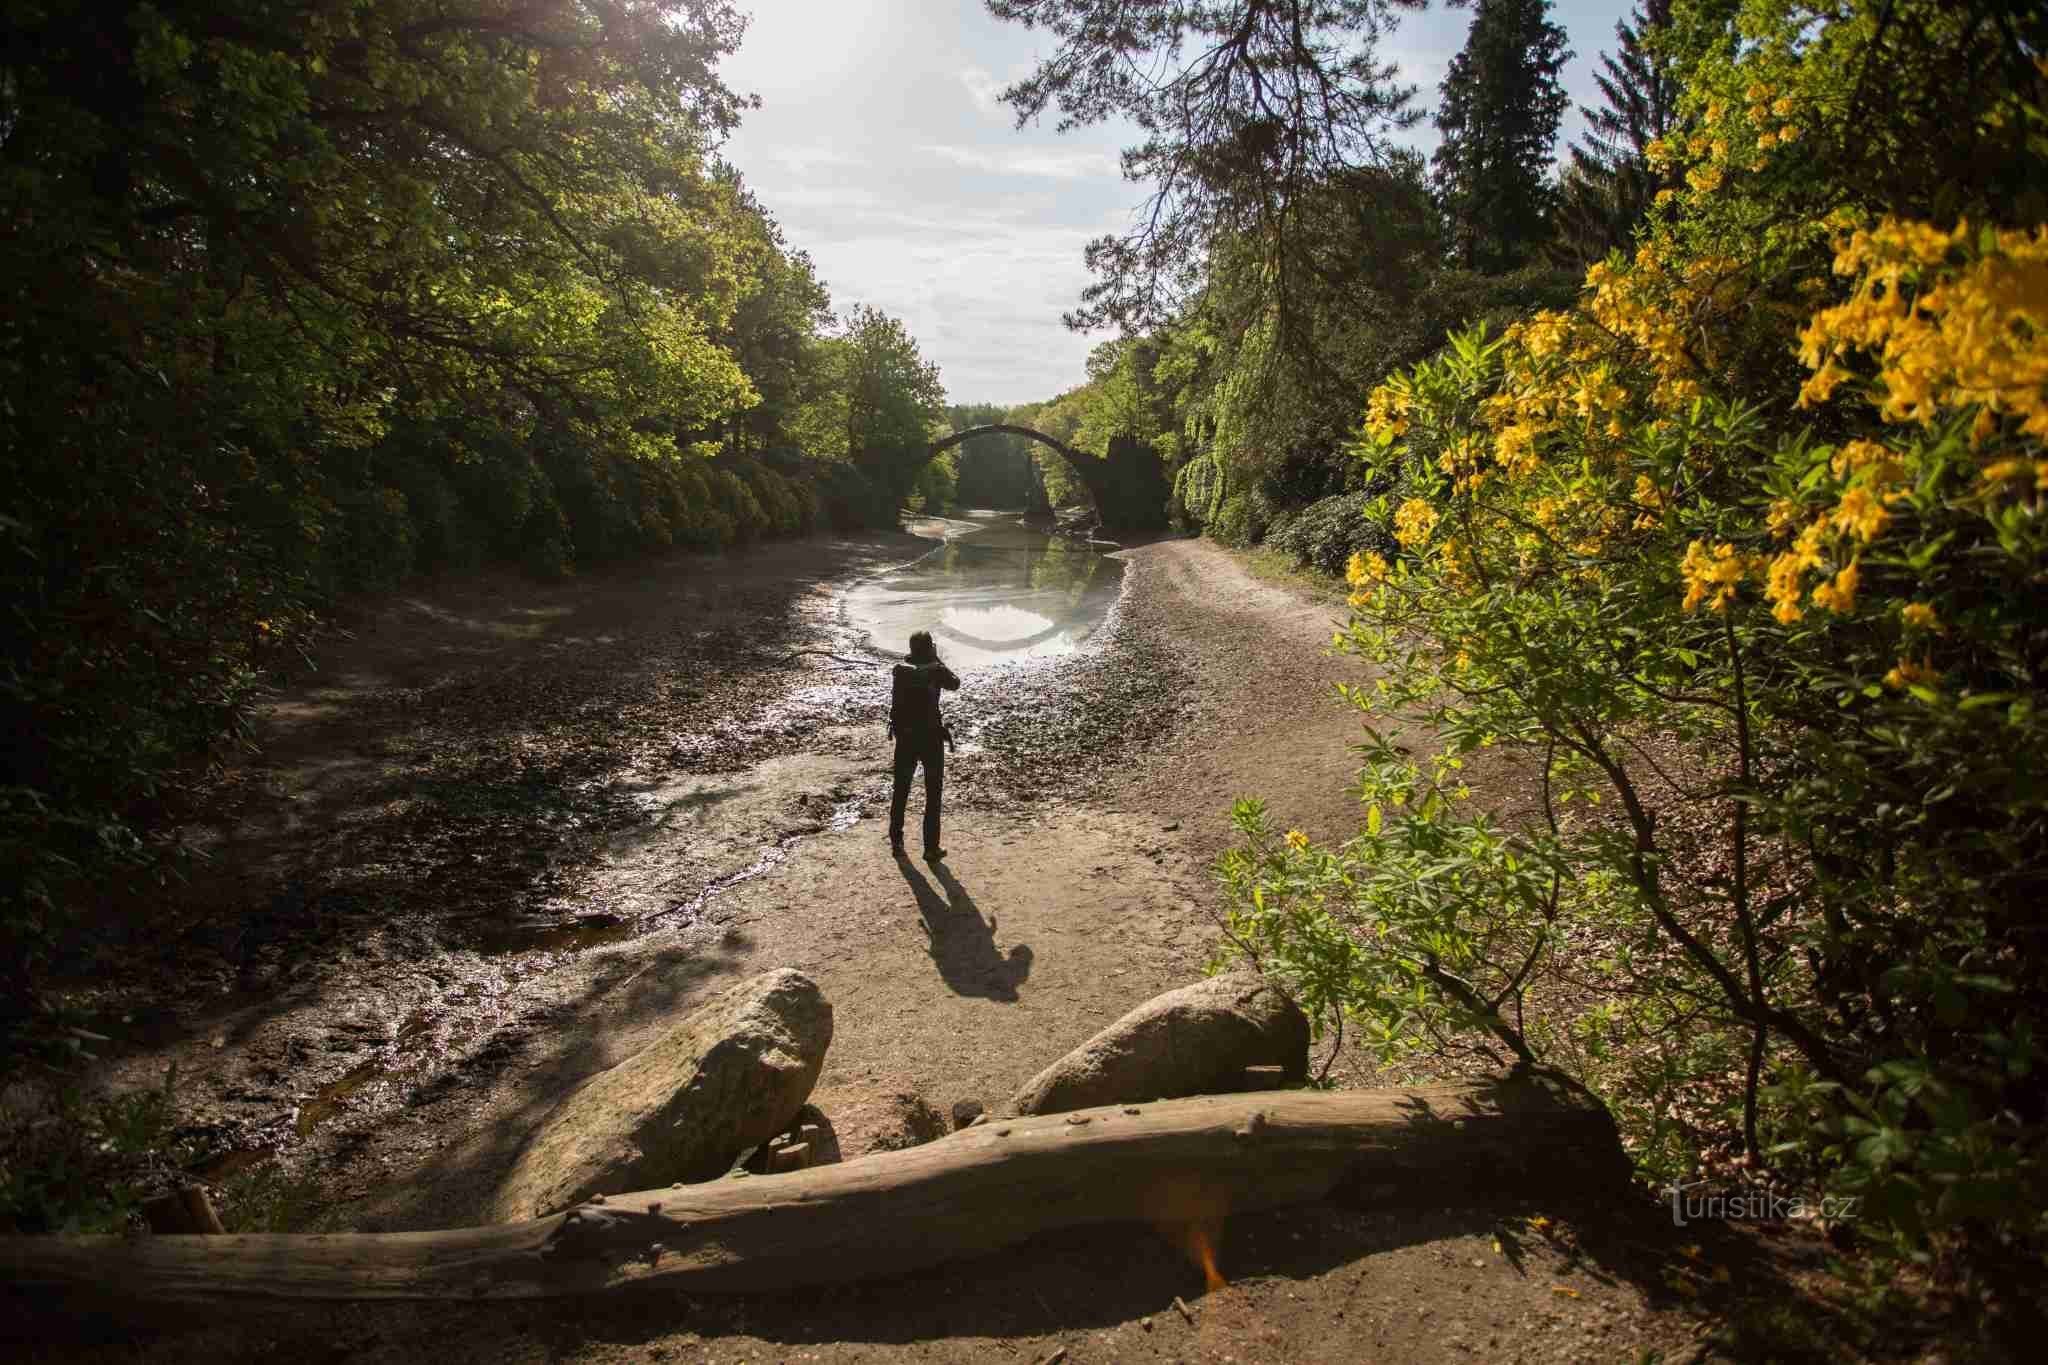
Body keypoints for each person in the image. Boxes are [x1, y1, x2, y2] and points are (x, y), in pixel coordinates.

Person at [887, 630, 960, 860]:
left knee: (901, 790)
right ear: (930, 649)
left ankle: (897, 842)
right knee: (933, 793)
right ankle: (930, 848)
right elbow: (955, 683)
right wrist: (937, 659)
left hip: (906, 738)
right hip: (930, 738)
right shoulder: (936, 670)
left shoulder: (899, 671)